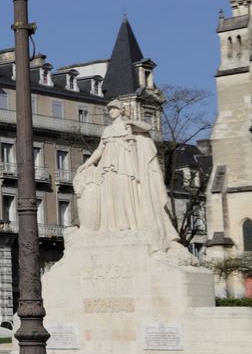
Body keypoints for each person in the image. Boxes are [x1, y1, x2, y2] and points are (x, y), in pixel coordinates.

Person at [74, 100, 178, 245]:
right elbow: (99, 150)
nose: (111, 112)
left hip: (124, 163)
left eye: (114, 109)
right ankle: (111, 226)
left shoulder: (128, 126)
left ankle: (127, 223)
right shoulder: (107, 130)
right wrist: (86, 164)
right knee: (110, 194)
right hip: (107, 165)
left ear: (121, 110)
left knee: (124, 192)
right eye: (110, 109)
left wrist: (130, 122)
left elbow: (147, 127)